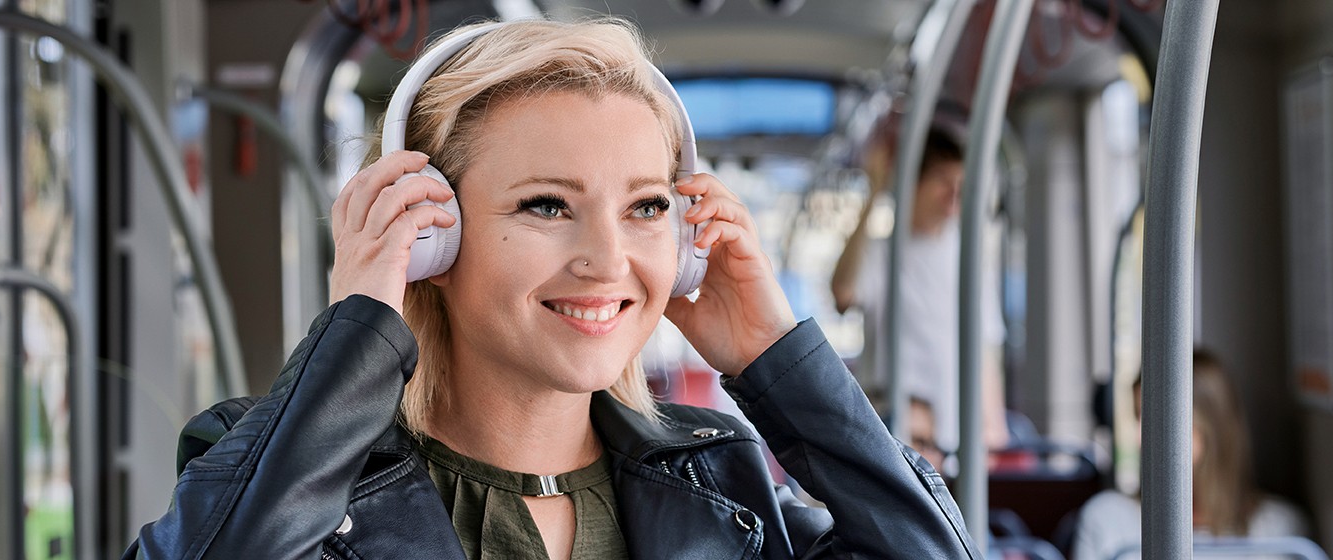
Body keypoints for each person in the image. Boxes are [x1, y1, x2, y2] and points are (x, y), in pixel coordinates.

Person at [121, 18, 975, 559]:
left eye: (645, 207)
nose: (607, 258)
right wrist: (361, 322)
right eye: (545, 205)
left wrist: (778, 358)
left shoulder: (728, 487)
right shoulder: (281, 469)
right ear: (431, 233)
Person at [828, 123, 1008, 462]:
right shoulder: (883, 253)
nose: (953, 194)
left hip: (955, 435)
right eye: (942, 181)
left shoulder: (969, 254)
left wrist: (993, 428)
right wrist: (875, 192)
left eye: (960, 184)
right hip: (893, 429)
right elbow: (843, 293)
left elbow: (983, 345)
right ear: (913, 183)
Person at [1071, 350, 1310, 560]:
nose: (1138, 438)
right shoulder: (1107, 521)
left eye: (1158, 420)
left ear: (1209, 426)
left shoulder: (1279, 530)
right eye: (1138, 418)